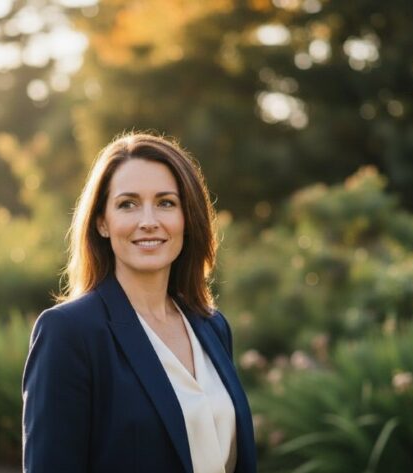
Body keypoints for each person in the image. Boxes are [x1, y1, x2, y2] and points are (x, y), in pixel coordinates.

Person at [22, 132, 257, 473]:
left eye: (166, 203)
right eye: (127, 204)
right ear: (102, 222)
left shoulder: (212, 326)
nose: (149, 221)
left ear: (187, 218)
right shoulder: (69, 332)